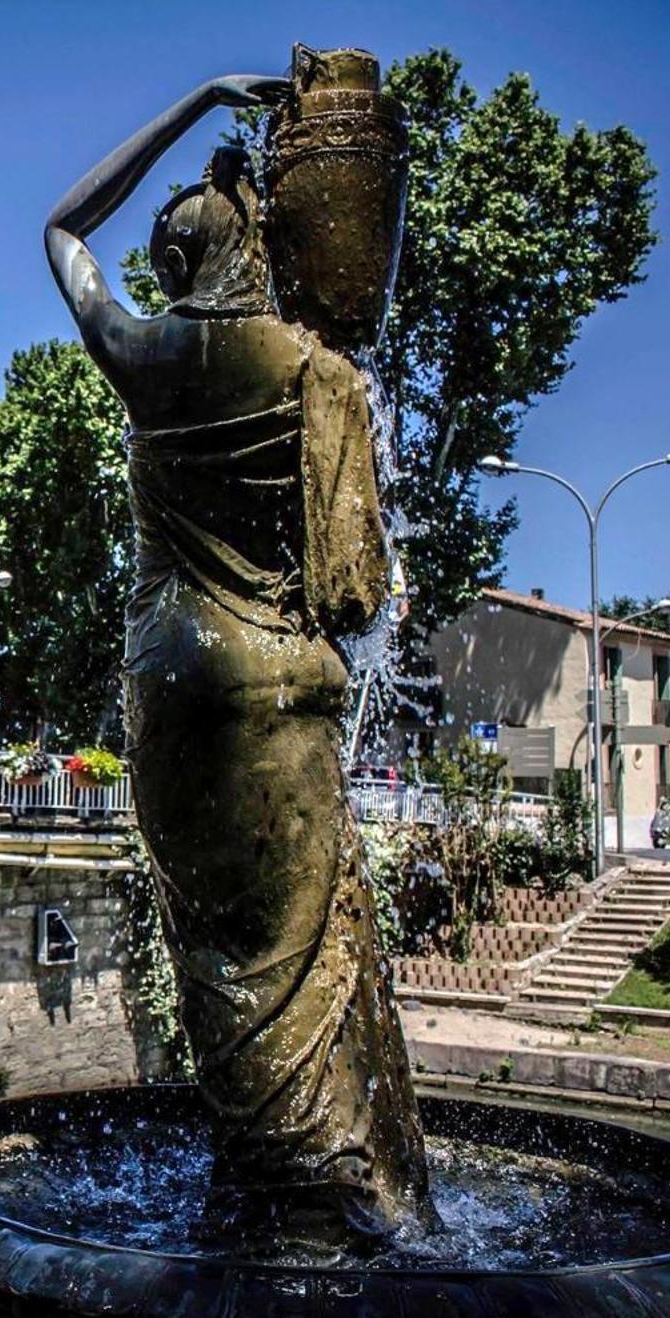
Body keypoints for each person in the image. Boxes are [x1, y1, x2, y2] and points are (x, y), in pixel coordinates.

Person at [44, 76, 431, 1251]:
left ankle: (250, 1184)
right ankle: (309, 1204)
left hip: (165, 685)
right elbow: (356, 590)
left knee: (209, 943)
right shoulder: (312, 368)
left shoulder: (138, 349)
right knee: (295, 956)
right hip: (273, 685)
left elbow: (59, 228)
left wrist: (191, 98)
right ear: (252, 242)